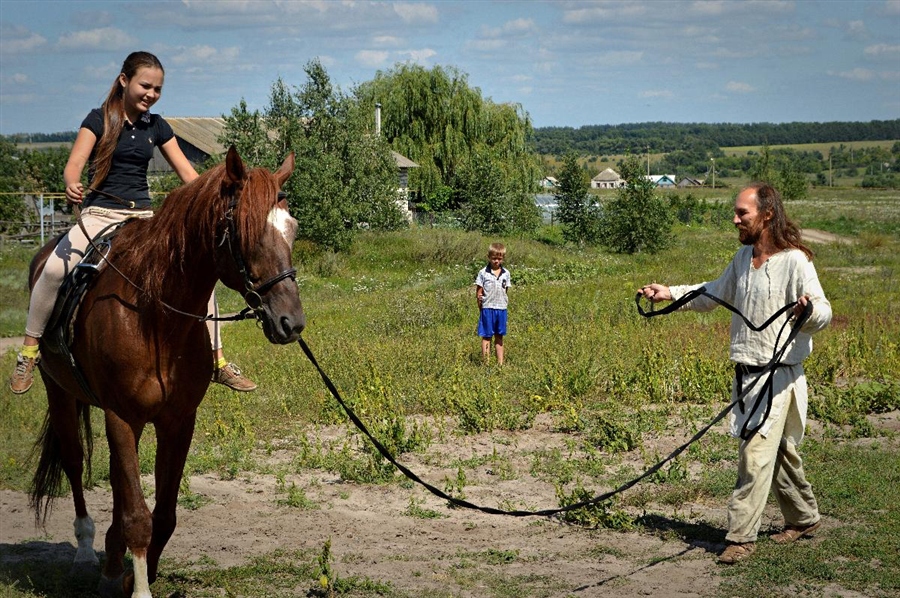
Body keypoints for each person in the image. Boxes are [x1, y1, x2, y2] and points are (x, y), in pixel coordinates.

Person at [9, 51, 256, 394]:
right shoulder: (98, 120)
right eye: (145, 86)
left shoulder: (158, 127)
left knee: (203, 278)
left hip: (143, 217)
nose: (151, 94)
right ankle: (29, 352)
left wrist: (215, 198)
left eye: (157, 89)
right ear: (124, 81)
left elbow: (189, 176)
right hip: (101, 213)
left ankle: (217, 361)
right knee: (52, 271)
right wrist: (70, 183)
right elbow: (73, 165)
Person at [638, 183, 831, 565]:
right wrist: (669, 294)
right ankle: (805, 517)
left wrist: (808, 312)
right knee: (778, 455)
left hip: (779, 376)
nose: (735, 219)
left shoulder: (795, 261)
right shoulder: (743, 259)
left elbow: (822, 309)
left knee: (755, 455)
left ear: (768, 214)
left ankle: (741, 537)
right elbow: (712, 293)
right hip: (747, 373)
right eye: (736, 212)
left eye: (742, 212)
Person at [475, 242, 511, 366]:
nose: (496, 261)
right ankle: (486, 363)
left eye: (499, 259)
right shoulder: (483, 273)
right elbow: (479, 292)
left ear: (503, 259)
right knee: (486, 336)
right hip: (487, 308)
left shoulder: (506, 273)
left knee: (499, 336)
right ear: (489, 257)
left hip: (501, 309)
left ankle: (500, 364)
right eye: (494, 258)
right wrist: (481, 307)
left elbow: (505, 290)